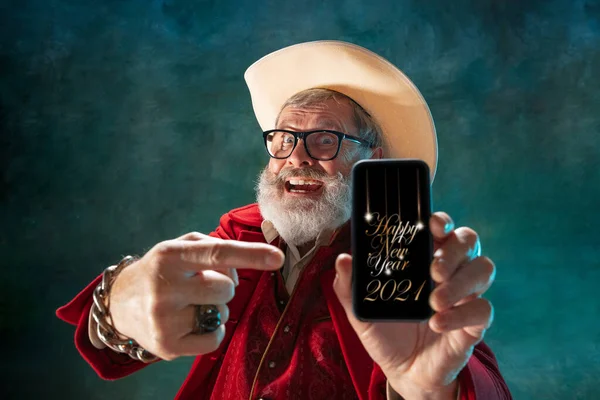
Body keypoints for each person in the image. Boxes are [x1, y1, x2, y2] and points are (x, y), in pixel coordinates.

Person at [56, 41, 512, 400]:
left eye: (324, 141)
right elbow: (110, 338)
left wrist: (436, 392)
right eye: (283, 139)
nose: (297, 157)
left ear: (371, 158)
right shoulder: (236, 239)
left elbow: (478, 381)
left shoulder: (399, 258)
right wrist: (120, 301)